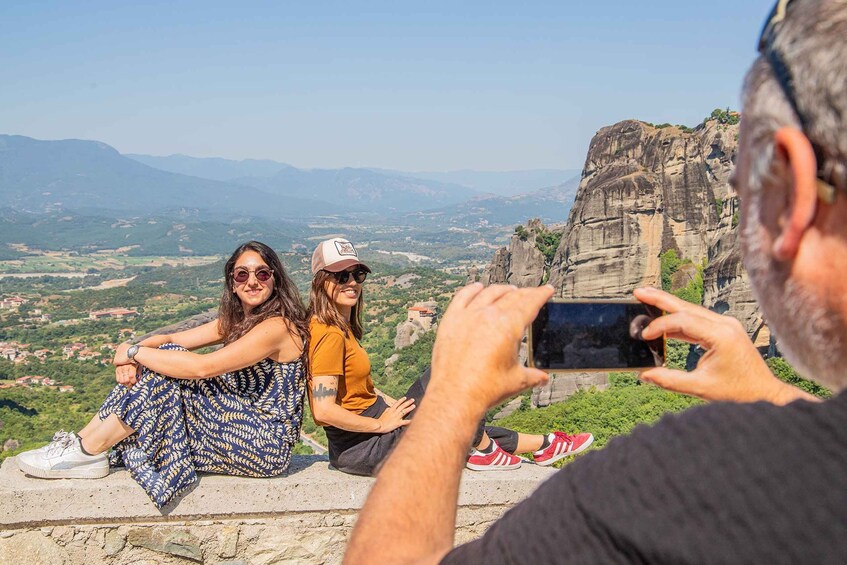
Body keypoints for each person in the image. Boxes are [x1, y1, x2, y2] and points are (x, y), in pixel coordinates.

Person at [346, 1, 847, 562]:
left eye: (744, 182)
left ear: (796, 188)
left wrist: (447, 402)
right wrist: (773, 394)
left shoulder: (668, 482)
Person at [16, 241, 310, 508]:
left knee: (169, 365)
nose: (252, 281)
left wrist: (133, 354)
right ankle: (81, 445)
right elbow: (171, 339)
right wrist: (132, 351)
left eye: (262, 273)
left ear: (275, 279)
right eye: (242, 275)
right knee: (167, 355)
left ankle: (87, 451)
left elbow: (201, 368)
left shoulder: (278, 327)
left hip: (264, 444)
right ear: (232, 283)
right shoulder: (237, 321)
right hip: (237, 428)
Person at [307, 237, 593, 476]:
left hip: (370, 438)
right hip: (366, 448)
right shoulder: (328, 333)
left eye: (357, 275)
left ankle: (544, 445)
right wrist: (381, 424)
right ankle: (484, 450)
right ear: (321, 281)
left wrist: (392, 404)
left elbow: (358, 388)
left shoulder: (339, 328)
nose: (352, 283)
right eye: (341, 276)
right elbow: (323, 411)